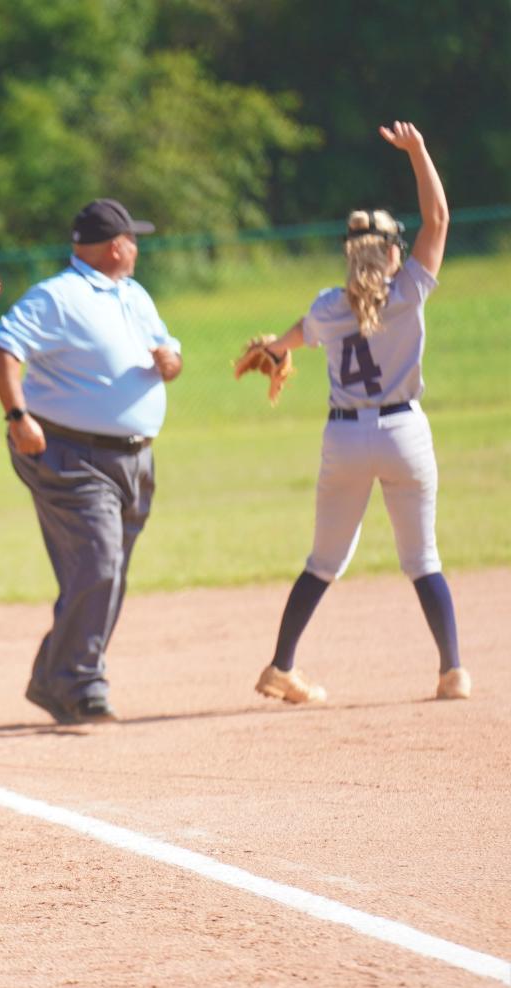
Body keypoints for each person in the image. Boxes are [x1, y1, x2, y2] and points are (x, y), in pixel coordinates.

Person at [249, 122, 470, 704]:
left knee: (324, 561)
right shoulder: (409, 291)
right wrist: (419, 151)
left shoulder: (326, 306)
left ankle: (281, 667)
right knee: (421, 557)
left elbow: (291, 339)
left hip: (345, 439)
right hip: (402, 431)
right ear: (395, 251)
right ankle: (452, 671)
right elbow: (440, 220)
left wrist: (272, 349)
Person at [0, 199, 183, 725]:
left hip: (135, 457)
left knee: (107, 572)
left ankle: (59, 676)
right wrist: (16, 414)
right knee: (99, 562)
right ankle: (77, 684)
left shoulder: (133, 295)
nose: (137, 247)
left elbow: (168, 351)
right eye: (133, 240)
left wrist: (171, 361)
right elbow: (2, 348)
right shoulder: (57, 296)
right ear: (118, 246)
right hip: (68, 452)